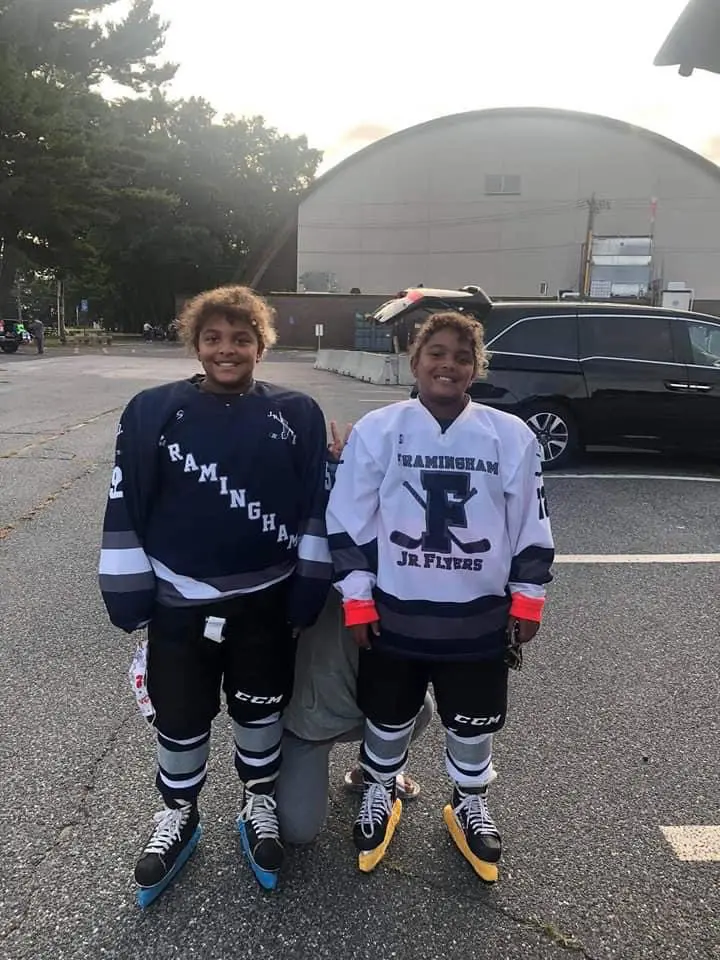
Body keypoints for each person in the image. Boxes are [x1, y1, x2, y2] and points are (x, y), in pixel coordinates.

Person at [99, 285, 331, 904]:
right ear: (195, 343)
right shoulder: (152, 410)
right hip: (180, 605)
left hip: (265, 602)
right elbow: (126, 499)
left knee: (261, 710)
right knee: (179, 717)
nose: (226, 350)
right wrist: (128, 589)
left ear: (261, 344)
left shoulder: (298, 413)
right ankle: (178, 814)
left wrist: (308, 590)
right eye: (213, 338)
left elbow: (317, 504)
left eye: (241, 338)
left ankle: (258, 802)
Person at [326, 311, 555, 881]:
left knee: (473, 721)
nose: (447, 364)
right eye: (437, 353)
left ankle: (469, 801)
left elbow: (530, 520)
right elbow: (347, 521)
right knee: (387, 712)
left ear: (476, 367)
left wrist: (528, 594)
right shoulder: (380, 429)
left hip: (476, 617)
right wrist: (357, 595)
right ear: (415, 359)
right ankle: (379, 790)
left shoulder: (511, 435)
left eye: (461, 355)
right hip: (396, 614)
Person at [277, 423, 432, 845]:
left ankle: (375, 770)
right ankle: (265, 775)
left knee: (419, 709)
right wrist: (332, 467)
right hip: (308, 721)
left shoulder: (402, 547)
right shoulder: (304, 549)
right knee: (297, 832)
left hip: (372, 702)